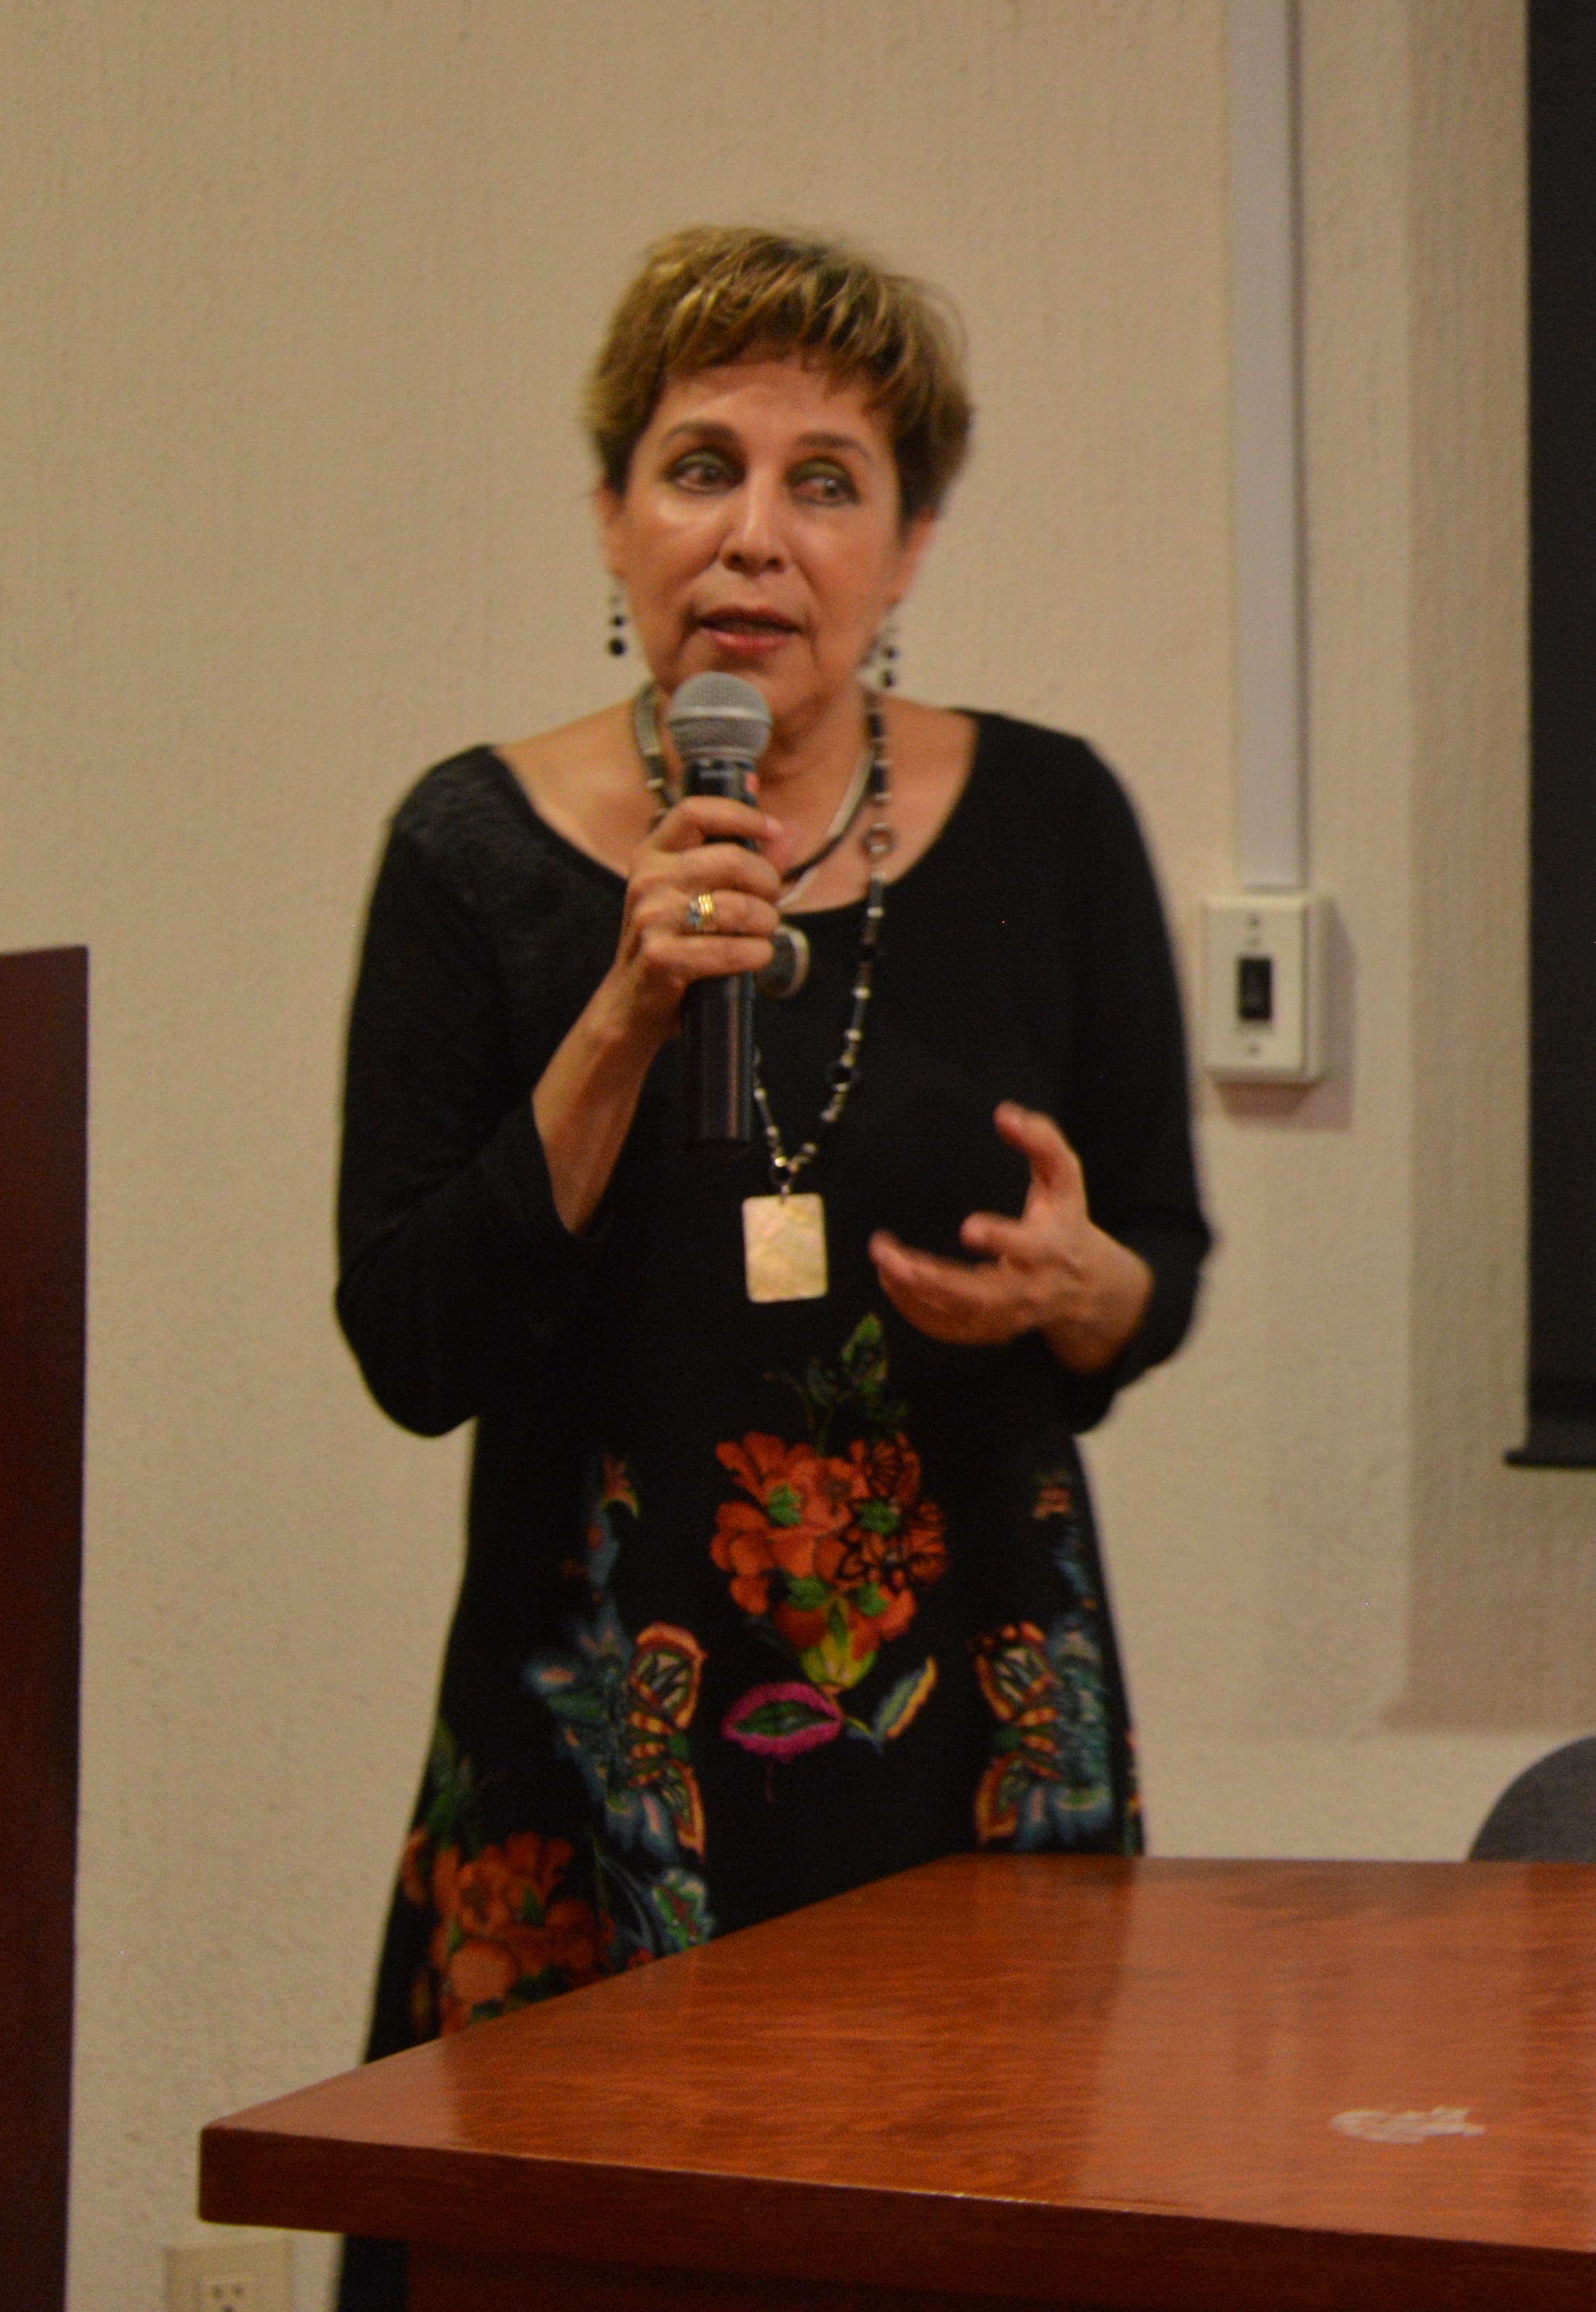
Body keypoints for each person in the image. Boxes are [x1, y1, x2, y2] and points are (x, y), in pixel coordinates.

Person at [331, 225, 1208, 2121]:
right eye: (702, 465)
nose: (755, 534)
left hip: (966, 1726)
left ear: (905, 552)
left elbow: (1159, 1259)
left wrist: (1089, 1297)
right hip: (594, 1738)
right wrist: (626, 1016)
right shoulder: (472, 853)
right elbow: (410, 1342)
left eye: (827, 484)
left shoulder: (1052, 820)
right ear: (611, 518)